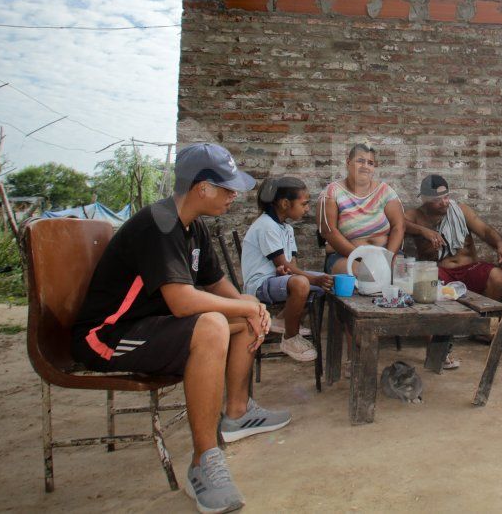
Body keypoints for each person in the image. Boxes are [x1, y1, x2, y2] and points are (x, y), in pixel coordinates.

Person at [70, 143, 285, 513]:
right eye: (228, 188)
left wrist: (251, 307)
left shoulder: (193, 227)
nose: (233, 195)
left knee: (245, 316)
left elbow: (217, 284)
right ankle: (204, 461)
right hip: (108, 336)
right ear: (203, 187)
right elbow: (183, 302)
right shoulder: (159, 223)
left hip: (152, 325)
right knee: (214, 324)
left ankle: (236, 412)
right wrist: (247, 305)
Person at [241, 176, 333, 363]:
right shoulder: (266, 226)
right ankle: (290, 338)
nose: (307, 209)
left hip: (276, 280)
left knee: (328, 281)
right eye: (304, 204)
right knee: (303, 283)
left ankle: (284, 318)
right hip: (259, 285)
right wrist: (309, 279)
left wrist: (292, 274)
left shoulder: (287, 229)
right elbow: (282, 263)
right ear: (285, 203)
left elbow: (290, 265)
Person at [405, 175, 502, 300]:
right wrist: (423, 231)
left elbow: (485, 231)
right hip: (440, 272)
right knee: (427, 281)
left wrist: (501, 246)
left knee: (497, 277)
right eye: (437, 200)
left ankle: (487, 312)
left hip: (469, 270)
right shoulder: (417, 216)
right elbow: (398, 223)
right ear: (426, 200)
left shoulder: (461, 210)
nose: (444, 202)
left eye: (446, 197)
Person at [318, 143, 405, 274]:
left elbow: (399, 227)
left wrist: (388, 258)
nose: (365, 166)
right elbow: (329, 231)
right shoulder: (332, 192)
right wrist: (362, 258)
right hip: (347, 256)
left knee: (402, 275)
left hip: (386, 253)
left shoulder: (385, 191)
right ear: (348, 162)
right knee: (365, 275)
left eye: (370, 163)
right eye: (360, 161)